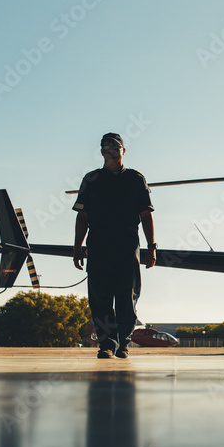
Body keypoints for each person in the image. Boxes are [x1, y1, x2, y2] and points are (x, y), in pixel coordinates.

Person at [72, 133, 157, 359]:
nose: (109, 150)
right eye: (105, 147)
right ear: (100, 152)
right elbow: (82, 216)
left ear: (123, 151)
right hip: (98, 245)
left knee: (127, 297)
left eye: (114, 146)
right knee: (100, 298)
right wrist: (77, 247)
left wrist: (152, 247)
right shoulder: (91, 179)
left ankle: (123, 343)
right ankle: (106, 344)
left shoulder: (136, 179)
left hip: (127, 245)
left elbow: (146, 214)